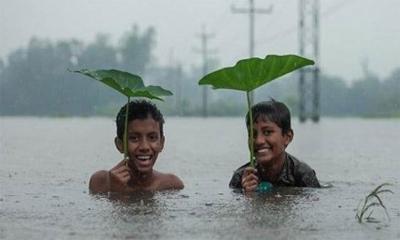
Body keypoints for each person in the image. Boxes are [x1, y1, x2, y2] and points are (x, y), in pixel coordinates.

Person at [89, 100, 184, 194]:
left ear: (161, 143)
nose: (144, 147)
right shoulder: (101, 182)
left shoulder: (171, 186)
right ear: (120, 144)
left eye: (152, 137)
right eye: (134, 138)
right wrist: (116, 192)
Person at [229, 99, 320, 192]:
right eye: (253, 134)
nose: (258, 141)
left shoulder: (302, 174)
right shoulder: (241, 177)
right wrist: (248, 196)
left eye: (267, 132)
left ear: (287, 137)